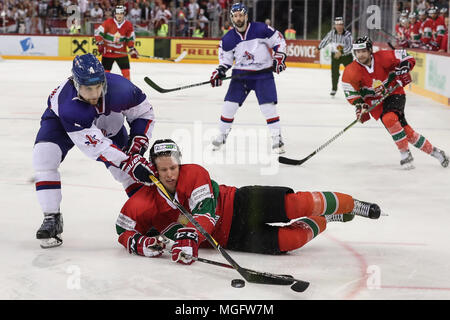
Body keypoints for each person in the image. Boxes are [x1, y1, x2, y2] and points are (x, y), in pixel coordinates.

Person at [115, 139, 381, 263]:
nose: (170, 174)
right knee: (291, 242)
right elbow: (122, 229)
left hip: (238, 202)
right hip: (231, 238)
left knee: (298, 205)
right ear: (154, 170)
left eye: (173, 167)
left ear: (179, 162)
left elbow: (206, 213)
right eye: (163, 170)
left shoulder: (194, 173)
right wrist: (141, 244)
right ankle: (326, 219)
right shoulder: (144, 200)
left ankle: (352, 204)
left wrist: (189, 238)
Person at [33, 53, 156, 249]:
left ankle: (150, 216)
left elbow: (143, 113)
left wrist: (139, 141)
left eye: (98, 87)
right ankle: (52, 217)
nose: (94, 94)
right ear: (75, 83)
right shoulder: (68, 106)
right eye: (88, 89)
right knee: (44, 157)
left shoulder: (122, 89)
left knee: (125, 173)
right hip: (61, 123)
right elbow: (97, 147)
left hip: (108, 122)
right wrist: (127, 161)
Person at [341, 36, 448, 169]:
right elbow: (351, 91)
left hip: (394, 93)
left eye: (363, 51)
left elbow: (405, 56)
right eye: (357, 52)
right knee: (407, 133)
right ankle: (436, 153)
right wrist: (360, 105)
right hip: (377, 103)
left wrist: (405, 66)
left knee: (389, 118)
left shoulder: (383, 57)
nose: (360, 55)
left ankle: (405, 154)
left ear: (370, 50)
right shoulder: (351, 71)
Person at [209, 3, 287, 154]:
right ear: (232, 18)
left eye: (241, 15)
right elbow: (225, 60)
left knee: (268, 108)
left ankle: (277, 138)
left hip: (263, 74)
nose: (238, 18)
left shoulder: (261, 29)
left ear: (246, 16)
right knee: (228, 106)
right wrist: (220, 71)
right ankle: (222, 135)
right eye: (235, 16)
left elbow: (279, 41)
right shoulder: (227, 39)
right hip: (241, 76)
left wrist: (279, 57)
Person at [94, 5, 138, 80]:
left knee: (126, 74)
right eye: (117, 13)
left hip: (121, 53)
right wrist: (100, 43)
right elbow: (98, 33)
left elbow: (130, 38)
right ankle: (105, 89)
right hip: (108, 53)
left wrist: (132, 48)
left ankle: (127, 89)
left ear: (124, 14)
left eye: (121, 13)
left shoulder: (128, 25)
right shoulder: (108, 22)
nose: (119, 15)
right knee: (105, 75)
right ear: (115, 14)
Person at [317, 17, 353, 96]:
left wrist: (341, 52)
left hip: (346, 56)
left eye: (341, 25)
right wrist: (319, 47)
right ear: (335, 26)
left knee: (351, 73)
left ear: (343, 25)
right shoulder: (332, 33)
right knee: (334, 73)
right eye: (337, 25)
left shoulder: (348, 35)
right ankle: (334, 89)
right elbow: (325, 40)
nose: (339, 27)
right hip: (335, 55)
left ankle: (354, 88)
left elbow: (350, 46)